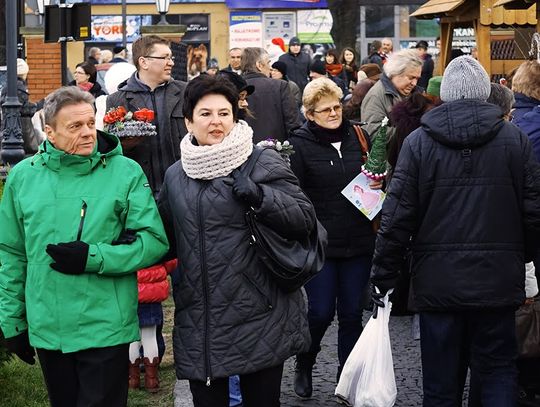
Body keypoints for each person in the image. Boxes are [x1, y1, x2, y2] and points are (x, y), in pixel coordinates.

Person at [370, 56, 540, 406]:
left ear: (445, 95)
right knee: (496, 374)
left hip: (438, 285)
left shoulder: (418, 142)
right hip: (497, 282)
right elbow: (534, 214)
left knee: (440, 384)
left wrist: (382, 277)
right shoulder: (515, 140)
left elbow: (397, 217)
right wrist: (529, 267)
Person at [0, 86, 169, 407]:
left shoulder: (125, 172)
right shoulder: (22, 177)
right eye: (75, 127)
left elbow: (153, 242)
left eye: (91, 123)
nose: (88, 133)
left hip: (105, 322)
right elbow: (11, 253)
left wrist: (94, 257)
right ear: (48, 131)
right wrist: (12, 321)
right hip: (49, 323)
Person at [157, 74, 314, 407]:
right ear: (188, 121)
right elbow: (164, 236)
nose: (216, 122)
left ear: (235, 116)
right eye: (205, 113)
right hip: (201, 316)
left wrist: (261, 196)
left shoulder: (261, 161)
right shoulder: (175, 174)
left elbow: (304, 220)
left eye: (224, 113)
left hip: (259, 310)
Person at [288, 77, 377, 399]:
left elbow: (374, 176)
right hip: (321, 243)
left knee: (353, 313)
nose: (333, 113)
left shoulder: (359, 136)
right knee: (321, 312)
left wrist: (379, 184)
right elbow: (293, 193)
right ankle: (305, 361)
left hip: (359, 241)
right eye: (324, 110)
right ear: (310, 114)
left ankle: (347, 378)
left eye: (337, 106)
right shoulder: (298, 145)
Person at [106, 35, 188, 196]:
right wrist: (126, 144)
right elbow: (111, 151)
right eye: (164, 58)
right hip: (139, 190)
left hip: (183, 188)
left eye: (170, 57)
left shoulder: (186, 92)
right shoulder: (117, 99)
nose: (171, 62)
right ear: (143, 62)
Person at [361, 49, 423, 141]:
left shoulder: (415, 94)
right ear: (396, 73)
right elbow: (372, 133)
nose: (414, 83)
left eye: (417, 78)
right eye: (411, 77)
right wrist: (411, 132)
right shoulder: (376, 96)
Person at [242, 47, 300, 142]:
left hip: (243, 150)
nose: (270, 67)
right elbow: (292, 122)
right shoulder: (280, 86)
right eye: (268, 62)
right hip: (276, 149)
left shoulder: (233, 87)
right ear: (259, 65)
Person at [0, 58, 40, 154]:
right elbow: (22, 108)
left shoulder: (7, 86)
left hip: (7, 125)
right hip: (18, 126)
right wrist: (38, 105)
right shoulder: (18, 86)